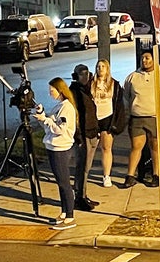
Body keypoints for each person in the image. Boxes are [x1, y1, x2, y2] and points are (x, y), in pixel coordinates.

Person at [123, 49, 160, 188]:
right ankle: (130, 176)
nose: (145, 61)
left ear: (154, 59)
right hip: (137, 118)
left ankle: (157, 175)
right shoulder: (133, 77)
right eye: (143, 58)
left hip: (156, 117)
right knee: (136, 147)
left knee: (155, 146)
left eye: (148, 58)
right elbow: (126, 94)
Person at [33, 77, 78, 230]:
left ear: (60, 90)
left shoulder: (66, 108)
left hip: (61, 149)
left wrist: (46, 120)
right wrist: (42, 115)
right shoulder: (59, 106)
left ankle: (70, 216)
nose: (49, 92)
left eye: (52, 90)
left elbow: (60, 129)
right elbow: (48, 127)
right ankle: (64, 212)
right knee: (60, 183)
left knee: (64, 183)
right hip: (53, 147)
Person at [69, 64, 100, 211]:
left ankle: (84, 194)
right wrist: (78, 136)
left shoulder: (88, 90)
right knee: (81, 167)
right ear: (75, 76)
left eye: (87, 74)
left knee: (86, 168)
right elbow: (75, 116)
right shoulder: (74, 93)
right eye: (81, 74)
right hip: (83, 135)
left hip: (93, 132)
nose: (85, 77)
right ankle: (79, 197)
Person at [91, 59, 125, 188]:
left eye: (103, 66)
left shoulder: (114, 84)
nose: (100, 68)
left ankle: (106, 176)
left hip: (107, 119)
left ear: (107, 69)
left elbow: (119, 105)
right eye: (98, 66)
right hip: (94, 120)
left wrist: (116, 123)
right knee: (90, 149)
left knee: (106, 148)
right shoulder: (92, 83)